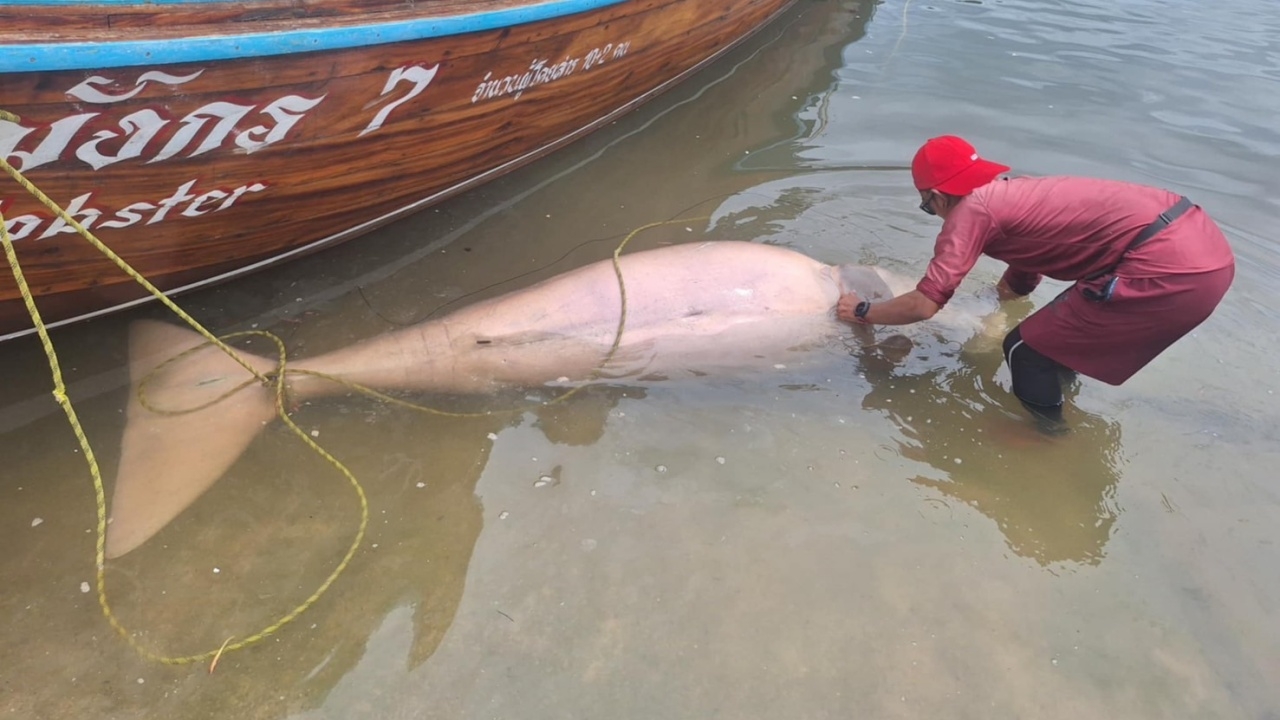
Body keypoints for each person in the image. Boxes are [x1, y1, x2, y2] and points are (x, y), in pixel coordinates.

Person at [836, 135, 1235, 427]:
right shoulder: (1011, 194)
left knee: (1024, 349)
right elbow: (1026, 271)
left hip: (1167, 266)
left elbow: (925, 304)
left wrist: (862, 310)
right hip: (1202, 248)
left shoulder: (972, 212)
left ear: (939, 196)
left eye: (927, 205)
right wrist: (992, 300)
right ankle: (1057, 400)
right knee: (1051, 341)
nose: (933, 212)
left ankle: (1048, 437)